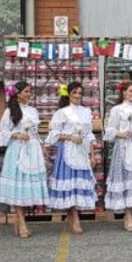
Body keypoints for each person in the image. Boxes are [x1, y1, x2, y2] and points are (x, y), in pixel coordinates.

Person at [0, 81, 48, 238]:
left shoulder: (33, 111)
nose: (29, 94)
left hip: (32, 149)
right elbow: (3, 131)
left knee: (27, 186)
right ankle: (22, 222)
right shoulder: (10, 111)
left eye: (30, 91)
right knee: (19, 186)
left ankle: (19, 220)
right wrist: (17, 134)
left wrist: (42, 146)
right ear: (17, 94)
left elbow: (36, 132)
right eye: (26, 91)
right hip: (17, 149)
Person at [46, 81, 97, 234]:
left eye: (80, 93)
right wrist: (70, 137)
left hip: (81, 152)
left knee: (77, 185)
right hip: (68, 151)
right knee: (70, 184)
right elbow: (54, 134)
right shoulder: (62, 112)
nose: (77, 96)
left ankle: (72, 216)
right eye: (74, 92)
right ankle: (75, 218)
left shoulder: (86, 111)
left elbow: (88, 135)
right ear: (68, 94)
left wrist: (92, 154)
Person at [103, 81, 132, 231]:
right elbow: (109, 130)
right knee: (126, 180)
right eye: (130, 91)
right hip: (124, 147)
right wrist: (121, 133)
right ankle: (128, 215)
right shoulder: (117, 109)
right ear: (124, 92)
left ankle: (130, 212)